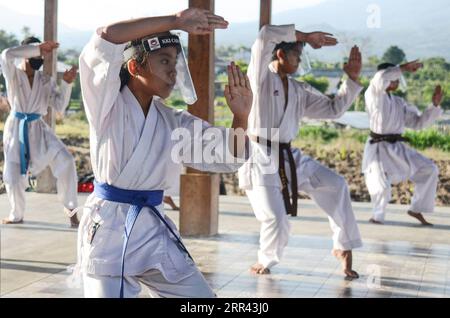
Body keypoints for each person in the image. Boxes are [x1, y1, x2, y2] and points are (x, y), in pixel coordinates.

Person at [77, 8, 252, 298]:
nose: (173, 71)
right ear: (135, 67)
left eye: (175, 62)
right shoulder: (105, 104)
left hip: (152, 227)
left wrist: (241, 117)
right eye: (164, 61)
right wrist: (176, 21)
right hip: (109, 228)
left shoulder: (173, 121)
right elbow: (107, 36)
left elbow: (229, 156)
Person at [238, 24, 364, 278]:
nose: (299, 60)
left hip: (288, 155)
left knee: (336, 185)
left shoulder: (298, 89)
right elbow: (264, 36)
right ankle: (265, 259)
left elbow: (333, 110)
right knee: (276, 218)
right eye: (297, 54)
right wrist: (306, 36)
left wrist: (351, 80)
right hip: (259, 154)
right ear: (281, 55)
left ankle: (343, 245)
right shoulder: (259, 78)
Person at [1, 36, 79, 227]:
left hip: (40, 129)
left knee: (67, 161)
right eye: (38, 54)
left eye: (43, 55)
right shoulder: (13, 73)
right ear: (26, 53)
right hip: (17, 128)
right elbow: (6, 54)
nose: (41, 58)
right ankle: (16, 214)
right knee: (12, 175)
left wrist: (67, 84)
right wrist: (37, 48)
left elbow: (60, 106)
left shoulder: (45, 80)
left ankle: (71, 210)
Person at [362, 61, 444, 225]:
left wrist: (434, 105)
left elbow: (418, 123)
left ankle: (416, 208)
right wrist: (403, 68)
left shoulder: (399, 103)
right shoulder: (374, 94)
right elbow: (381, 77)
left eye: (398, 78)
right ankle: (377, 217)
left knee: (429, 169)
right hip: (377, 147)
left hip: (397, 147)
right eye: (395, 78)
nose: (397, 81)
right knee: (380, 186)